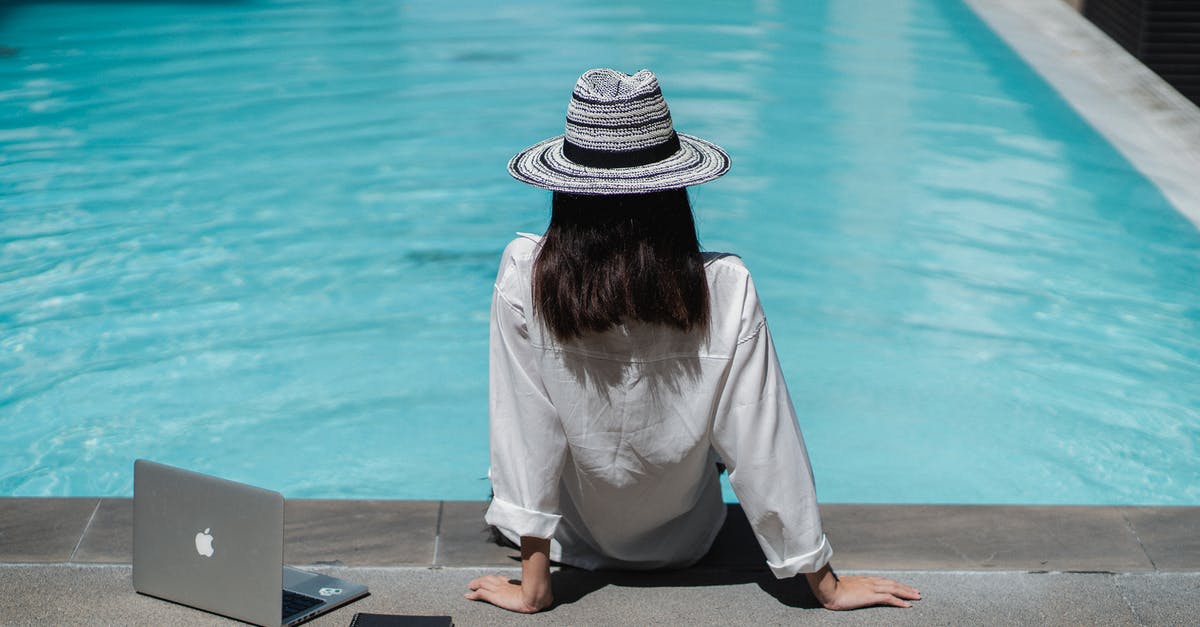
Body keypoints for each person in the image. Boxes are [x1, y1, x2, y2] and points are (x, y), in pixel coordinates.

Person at [466, 68, 920, 613]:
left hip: (573, 543)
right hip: (686, 541)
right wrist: (824, 583)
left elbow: (524, 432)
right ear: (674, 190)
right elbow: (762, 441)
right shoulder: (725, 287)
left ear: (567, 190)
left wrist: (535, 588)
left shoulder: (526, 276)